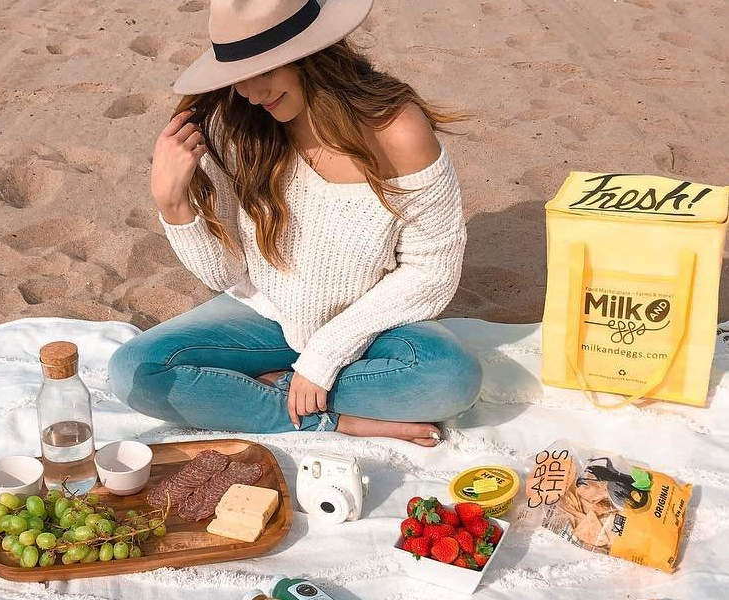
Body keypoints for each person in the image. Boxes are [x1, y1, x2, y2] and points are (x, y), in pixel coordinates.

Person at [108, 0, 482, 446]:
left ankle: (268, 394)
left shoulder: (396, 131)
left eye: (265, 69)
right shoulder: (237, 127)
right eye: (237, 74)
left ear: (313, 53)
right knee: (134, 371)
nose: (250, 91)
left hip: (371, 325)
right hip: (266, 316)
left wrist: (322, 357)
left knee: (451, 377)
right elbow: (225, 274)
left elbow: (432, 271)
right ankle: (332, 419)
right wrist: (173, 204)